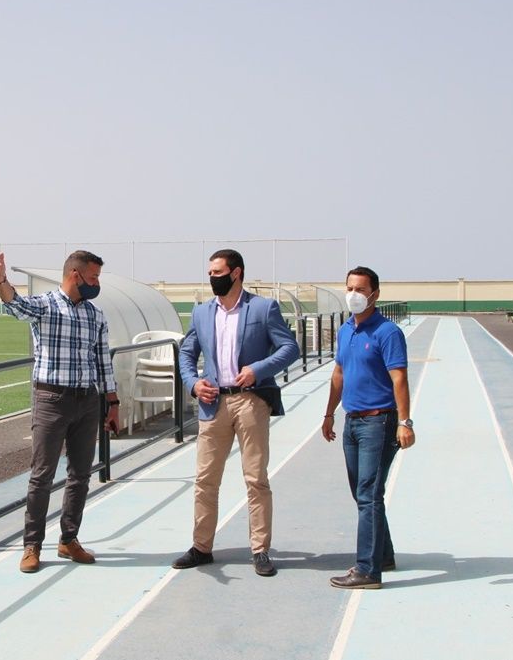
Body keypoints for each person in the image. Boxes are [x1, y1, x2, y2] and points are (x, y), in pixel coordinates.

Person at [0, 250, 121, 573]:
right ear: (75, 275)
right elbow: (15, 305)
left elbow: (103, 362)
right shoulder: (45, 305)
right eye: (93, 277)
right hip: (51, 401)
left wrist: (112, 404)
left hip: (87, 402)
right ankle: (32, 545)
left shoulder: (96, 316)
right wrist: (2, 281)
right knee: (41, 475)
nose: (96, 283)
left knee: (80, 475)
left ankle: (68, 539)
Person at [173, 249, 299, 577]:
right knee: (205, 479)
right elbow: (187, 353)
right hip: (212, 403)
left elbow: (290, 348)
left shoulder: (263, 307)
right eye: (210, 273)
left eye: (218, 272)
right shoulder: (201, 312)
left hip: (250, 401)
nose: (212, 278)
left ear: (236, 273)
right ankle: (201, 547)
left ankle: (260, 549)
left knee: (255, 478)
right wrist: (193, 383)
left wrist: (259, 369)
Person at [320, 265, 414, 590]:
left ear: (375, 293)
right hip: (352, 422)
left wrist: (405, 422)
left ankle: (367, 570)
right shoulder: (347, 330)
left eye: (360, 289)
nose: (354, 295)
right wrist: (329, 414)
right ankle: (383, 554)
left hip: (380, 421)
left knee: (369, 494)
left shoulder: (387, 333)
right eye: (350, 288)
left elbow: (399, 378)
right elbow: (338, 374)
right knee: (363, 493)